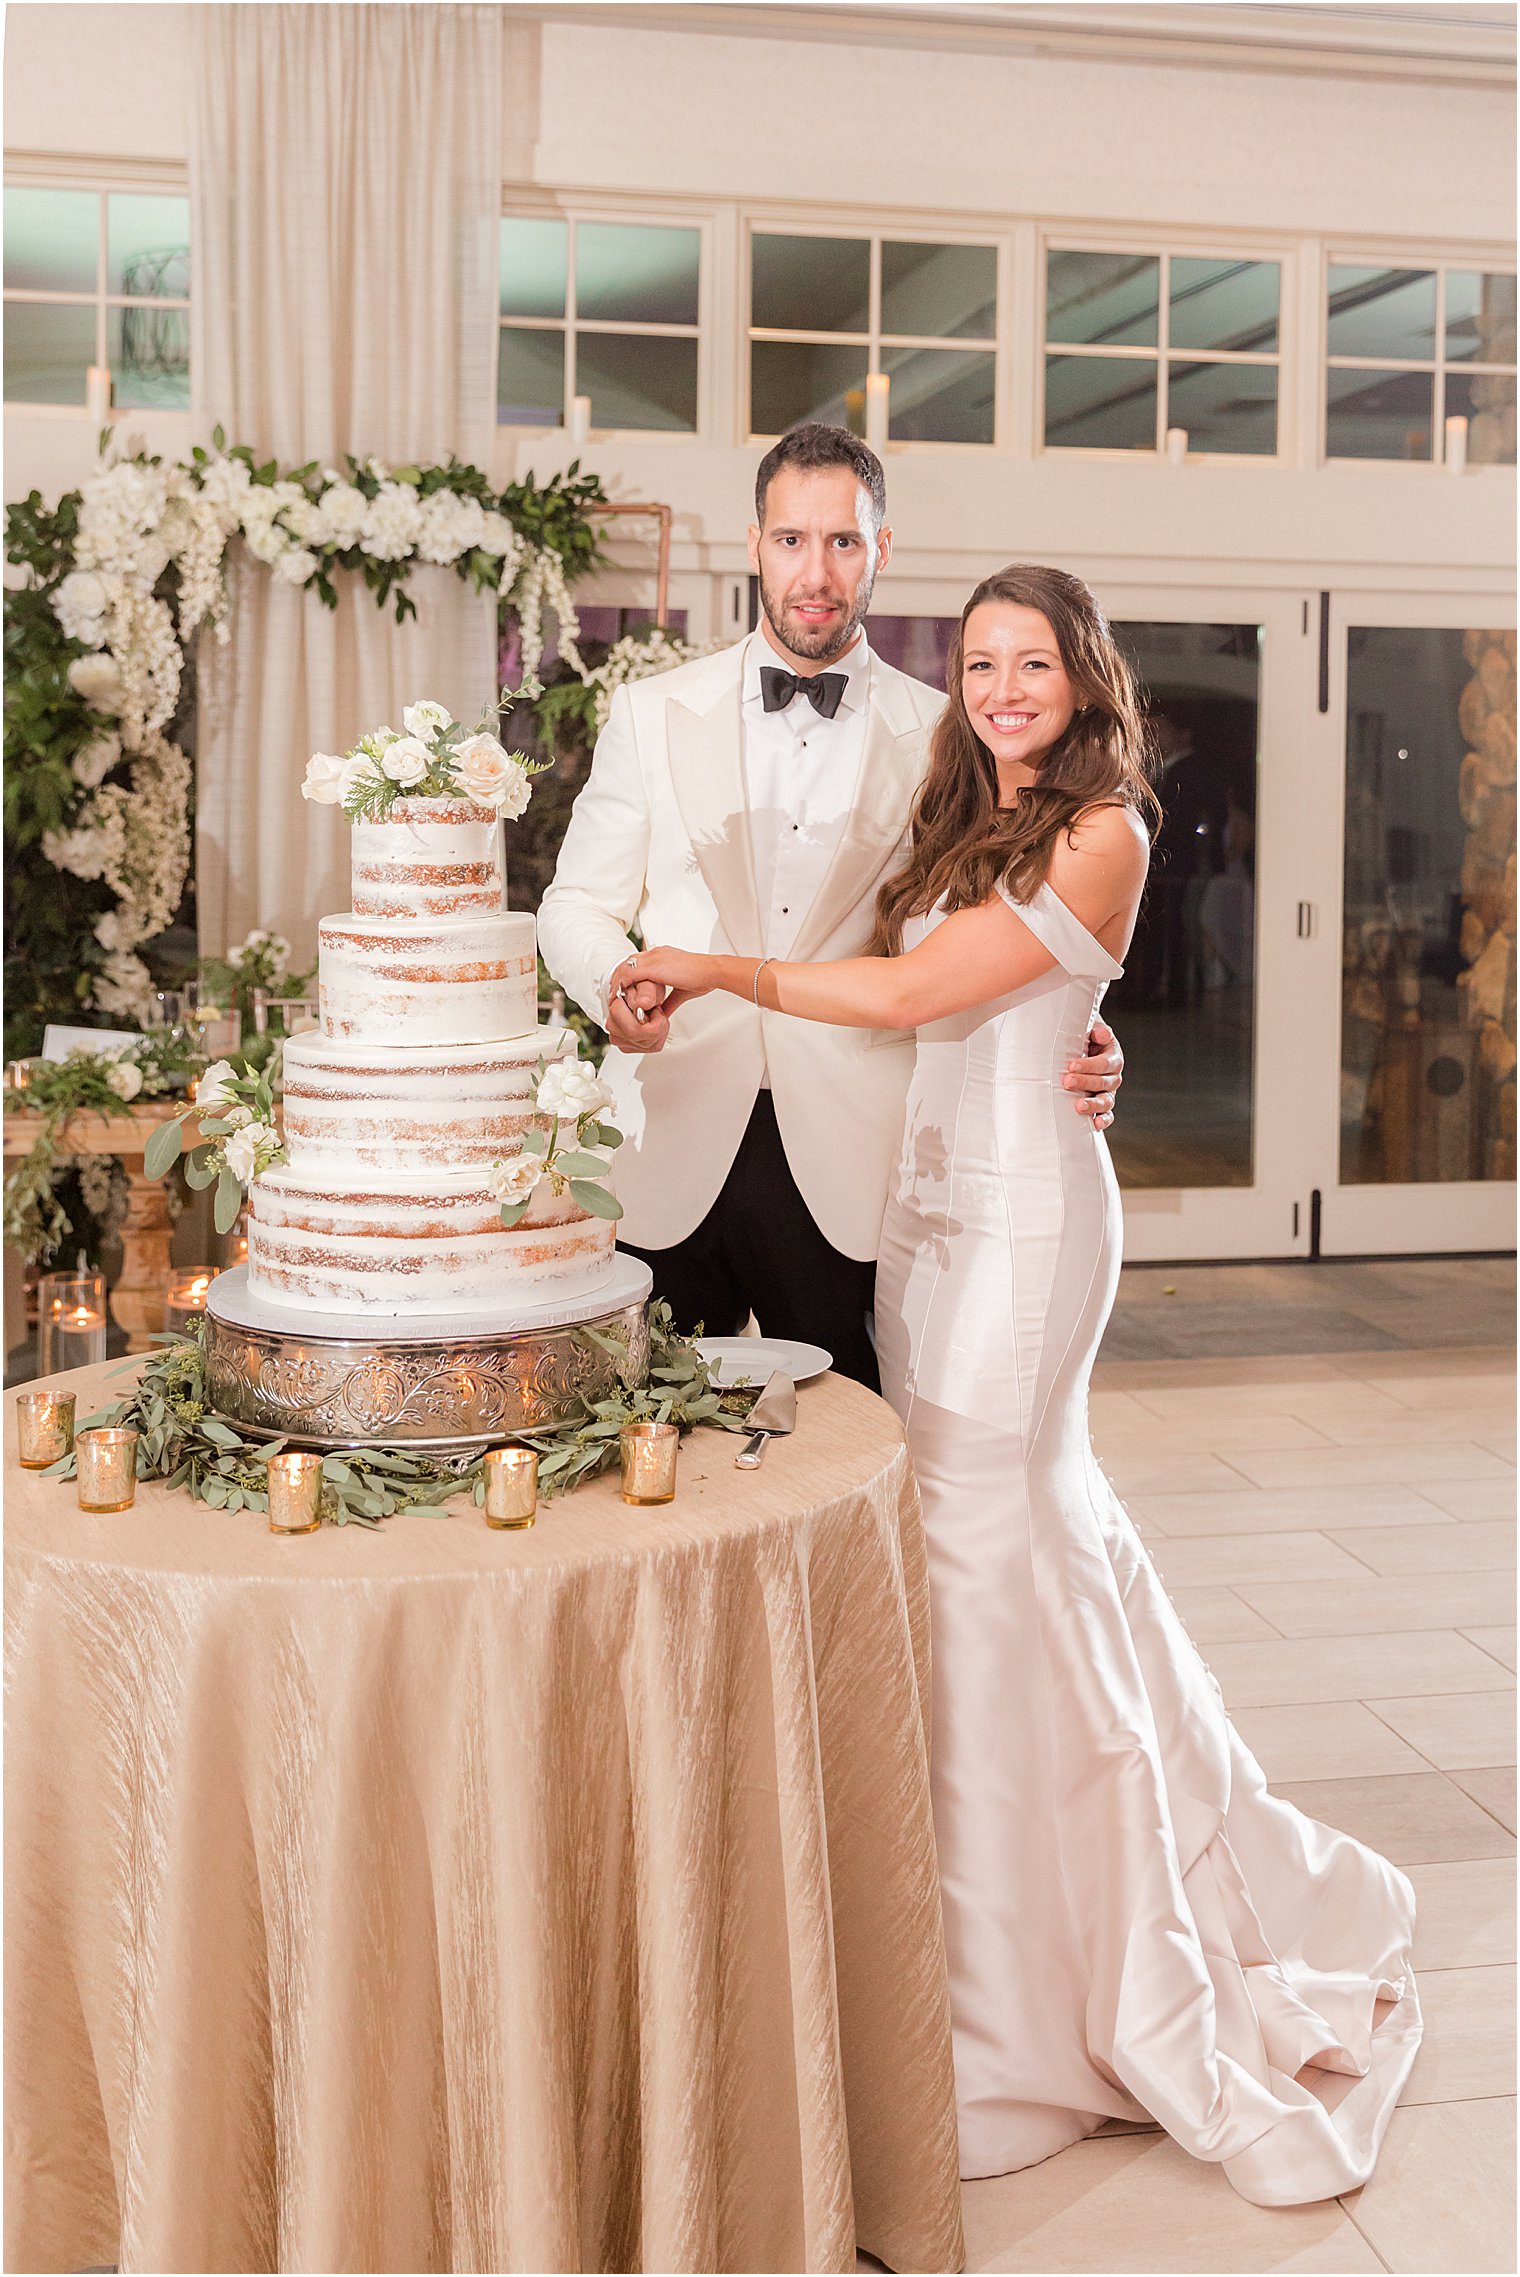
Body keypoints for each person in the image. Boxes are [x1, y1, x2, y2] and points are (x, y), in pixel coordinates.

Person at [617, 565, 1421, 2206]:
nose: (1000, 687)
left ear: (1082, 676)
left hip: (1029, 1226)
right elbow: (920, 989)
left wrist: (709, 966)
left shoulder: (1103, 824)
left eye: (1030, 662)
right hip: (923, 1218)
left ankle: (1028, 2002)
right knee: (1006, 1552)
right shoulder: (964, 809)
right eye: (979, 660)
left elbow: (918, 995)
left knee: (995, 1549)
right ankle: (1034, 1909)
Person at [537, 424, 1124, 1389]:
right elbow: (574, 904)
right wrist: (612, 984)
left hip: (858, 1151)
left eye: (843, 542)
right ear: (755, 544)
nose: (816, 570)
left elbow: (1020, 904)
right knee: (642, 1431)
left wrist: (1082, 1023)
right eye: (792, 540)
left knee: (851, 1437)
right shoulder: (650, 713)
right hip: (669, 1127)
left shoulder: (952, 732)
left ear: (880, 551)